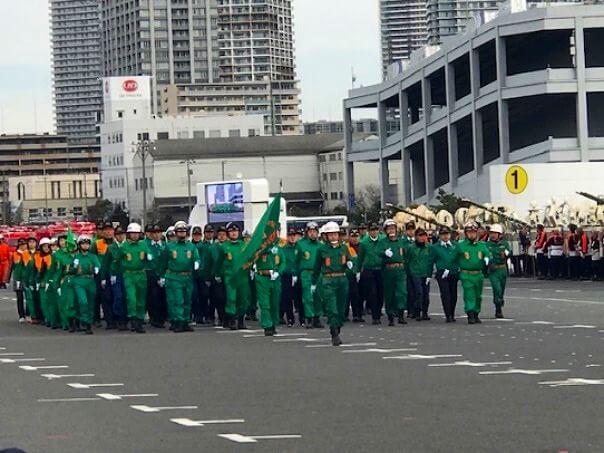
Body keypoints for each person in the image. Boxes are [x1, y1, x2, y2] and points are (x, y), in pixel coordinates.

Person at [312, 221, 354, 346]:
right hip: (328, 280)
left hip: (342, 279)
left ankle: (337, 326)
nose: (333, 237)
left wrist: (350, 266)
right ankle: (334, 332)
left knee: (341, 309)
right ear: (326, 236)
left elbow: (350, 262)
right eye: (330, 234)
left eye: (335, 234)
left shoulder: (344, 248)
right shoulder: (322, 249)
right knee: (332, 308)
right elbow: (317, 267)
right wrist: (313, 283)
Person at [158, 221, 200, 333]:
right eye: (179, 232)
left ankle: (186, 321)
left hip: (187, 276)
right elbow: (163, 262)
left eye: (183, 231)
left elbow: (196, 258)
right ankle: (179, 321)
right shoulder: (169, 246)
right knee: (178, 300)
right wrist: (161, 276)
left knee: (187, 300)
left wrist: (197, 263)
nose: (182, 234)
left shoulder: (191, 246)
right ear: (176, 233)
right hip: (174, 276)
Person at [113, 223, 151, 333]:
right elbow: (117, 261)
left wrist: (150, 257)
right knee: (131, 298)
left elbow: (150, 258)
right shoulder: (124, 246)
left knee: (141, 299)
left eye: (137, 233)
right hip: (129, 275)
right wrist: (115, 273)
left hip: (141, 274)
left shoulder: (143, 245)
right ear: (129, 234)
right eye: (132, 233)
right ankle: (133, 319)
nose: (135, 236)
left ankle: (139, 320)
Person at [213, 222, 249, 330]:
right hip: (230, 276)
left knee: (243, 298)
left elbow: (250, 259)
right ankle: (232, 320)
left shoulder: (244, 245)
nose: (234, 233)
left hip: (242, 275)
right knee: (231, 298)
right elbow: (219, 261)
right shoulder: (224, 246)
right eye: (231, 232)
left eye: (235, 231)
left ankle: (241, 320)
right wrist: (217, 274)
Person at [455, 221, 491, 324]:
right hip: (466, 274)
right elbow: (453, 258)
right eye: (469, 232)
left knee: (478, 295)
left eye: (473, 232)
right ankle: (470, 313)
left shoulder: (481, 245)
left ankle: (476, 313)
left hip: (478, 274)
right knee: (469, 294)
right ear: (466, 234)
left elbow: (487, 254)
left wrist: (487, 259)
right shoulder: (461, 246)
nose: (471, 234)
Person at [378, 219, 408, 327]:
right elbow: (378, 252)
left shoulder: (401, 241)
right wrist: (384, 253)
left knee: (402, 292)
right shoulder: (383, 242)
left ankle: (400, 314)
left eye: (393, 228)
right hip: (388, 270)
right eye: (389, 228)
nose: (391, 230)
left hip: (400, 269)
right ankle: (390, 316)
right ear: (386, 230)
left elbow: (406, 254)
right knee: (389, 294)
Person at [254, 236, 285, 336]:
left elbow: (283, 262)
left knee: (274, 302)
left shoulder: (278, 249)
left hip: (274, 278)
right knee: (265, 304)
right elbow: (253, 257)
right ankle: (267, 325)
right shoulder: (259, 248)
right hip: (262, 277)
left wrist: (278, 272)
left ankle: (273, 324)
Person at [71, 235, 101, 334]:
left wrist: (96, 269)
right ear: (79, 245)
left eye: (87, 244)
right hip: (79, 280)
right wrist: (74, 268)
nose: (85, 246)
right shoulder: (76, 257)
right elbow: (71, 270)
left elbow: (97, 265)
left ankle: (89, 322)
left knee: (91, 303)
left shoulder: (93, 256)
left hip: (90, 281)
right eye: (83, 244)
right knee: (83, 301)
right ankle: (84, 321)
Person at [296, 221, 323, 329]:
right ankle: (309, 318)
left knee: (319, 296)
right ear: (306, 233)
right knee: (308, 296)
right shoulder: (301, 244)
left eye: (314, 232)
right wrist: (297, 273)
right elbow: (297, 260)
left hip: (318, 273)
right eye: (310, 232)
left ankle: (317, 317)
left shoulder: (321, 246)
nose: (312, 234)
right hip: (306, 273)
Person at [91, 222, 116, 328]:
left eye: (110, 229)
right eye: (106, 230)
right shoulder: (96, 243)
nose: (108, 232)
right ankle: (99, 319)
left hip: (113, 273)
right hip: (100, 274)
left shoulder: (116, 243)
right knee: (100, 297)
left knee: (114, 297)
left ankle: (114, 318)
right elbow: (92, 257)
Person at [431, 226, 459, 323]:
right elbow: (431, 261)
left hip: (453, 272)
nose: (445, 236)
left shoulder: (455, 245)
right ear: (439, 235)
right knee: (445, 294)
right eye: (443, 234)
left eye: (447, 234)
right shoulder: (435, 247)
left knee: (453, 294)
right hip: (442, 273)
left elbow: (459, 259)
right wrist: (428, 274)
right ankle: (448, 315)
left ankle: (452, 312)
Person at [358, 223, 383, 324]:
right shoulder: (364, 242)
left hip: (380, 269)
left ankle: (378, 311)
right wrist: (358, 271)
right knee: (372, 293)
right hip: (369, 270)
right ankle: (375, 316)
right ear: (369, 231)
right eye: (372, 230)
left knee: (381, 294)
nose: (374, 232)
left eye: (376, 230)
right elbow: (360, 258)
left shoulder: (382, 240)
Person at [485, 224, 512, 319]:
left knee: (502, 290)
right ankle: (498, 307)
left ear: (500, 235)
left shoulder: (504, 244)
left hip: (502, 269)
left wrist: (506, 253)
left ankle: (500, 303)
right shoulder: (487, 245)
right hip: (493, 270)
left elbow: (509, 252)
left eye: (495, 233)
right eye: (492, 233)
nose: (493, 235)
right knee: (497, 289)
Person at [407, 228, 433, 321]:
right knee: (418, 293)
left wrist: (430, 274)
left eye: (424, 235)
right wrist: (409, 273)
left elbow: (431, 260)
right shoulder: (411, 247)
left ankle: (425, 312)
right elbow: (407, 260)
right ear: (416, 237)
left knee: (426, 294)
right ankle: (417, 312)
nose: (422, 238)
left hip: (426, 274)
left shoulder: (429, 247)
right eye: (420, 236)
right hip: (415, 273)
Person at [146, 225, 167, 328]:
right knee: (153, 298)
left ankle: (162, 318)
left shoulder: (165, 246)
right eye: (154, 233)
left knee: (163, 298)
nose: (156, 235)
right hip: (151, 275)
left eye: (158, 233)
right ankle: (154, 318)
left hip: (163, 275)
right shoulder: (147, 246)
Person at [280, 228, 300, 327]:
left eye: (294, 235)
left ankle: (303, 319)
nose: (292, 237)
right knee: (287, 298)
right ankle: (290, 319)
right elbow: (282, 262)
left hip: (298, 275)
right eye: (290, 235)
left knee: (300, 298)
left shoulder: (300, 248)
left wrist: (296, 273)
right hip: (287, 275)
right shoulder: (283, 249)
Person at [209, 225, 228, 326]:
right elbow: (209, 263)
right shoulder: (212, 247)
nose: (221, 237)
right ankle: (222, 317)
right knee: (219, 298)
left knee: (229, 298)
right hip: (216, 276)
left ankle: (229, 317)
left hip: (228, 276)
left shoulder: (229, 246)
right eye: (220, 234)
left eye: (224, 235)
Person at [346, 228, 363, 323]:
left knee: (359, 295)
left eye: (356, 236)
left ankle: (358, 315)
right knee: (348, 295)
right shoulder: (346, 247)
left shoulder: (362, 247)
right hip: (350, 274)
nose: (355, 239)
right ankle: (345, 315)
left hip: (361, 273)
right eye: (352, 237)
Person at [10, 238, 27, 323]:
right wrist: (6, 278)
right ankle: (21, 315)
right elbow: (10, 267)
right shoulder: (14, 255)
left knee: (29, 297)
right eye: (21, 245)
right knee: (19, 297)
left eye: (24, 244)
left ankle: (28, 313)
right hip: (17, 279)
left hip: (27, 278)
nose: (23, 246)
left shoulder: (28, 254)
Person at [403, 222, 417, 319]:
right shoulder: (403, 242)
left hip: (416, 270)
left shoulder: (418, 241)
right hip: (406, 269)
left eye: (412, 229)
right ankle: (410, 310)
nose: (410, 231)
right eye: (409, 229)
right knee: (409, 291)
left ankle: (417, 310)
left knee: (417, 291)